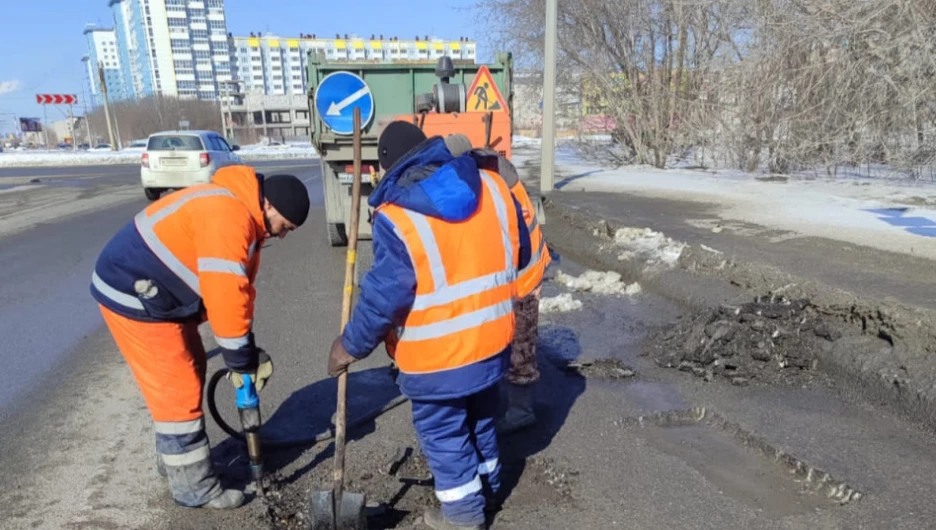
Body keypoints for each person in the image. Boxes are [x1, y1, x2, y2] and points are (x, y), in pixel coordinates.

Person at [327, 121, 531, 530]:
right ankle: (488, 491)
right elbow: (519, 251)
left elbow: (385, 297)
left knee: (445, 435)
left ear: (385, 169)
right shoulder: (490, 188)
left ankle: (463, 516)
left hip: (437, 359)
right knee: (482, 420)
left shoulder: (397, 217)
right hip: (492, 342)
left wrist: (348, 346)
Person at [89, 165, 309, 509]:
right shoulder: (229, 216)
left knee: (191, 365)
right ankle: (194, 487)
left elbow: (239, 293)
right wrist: (240, 362)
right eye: (286, 227)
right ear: (270, 207)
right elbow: (223, 296)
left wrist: (244, 351)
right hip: (134, 291)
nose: (282, 235)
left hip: (158, 293)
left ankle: (180, 465)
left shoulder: (243, 213)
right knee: (176, 388)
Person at [442, 134, 551, 435]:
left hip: (523, 274)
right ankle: (494, 395)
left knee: (520, 342)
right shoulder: (491, 172)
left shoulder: (491, 184)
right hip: (511, 267)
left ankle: (521, 411)